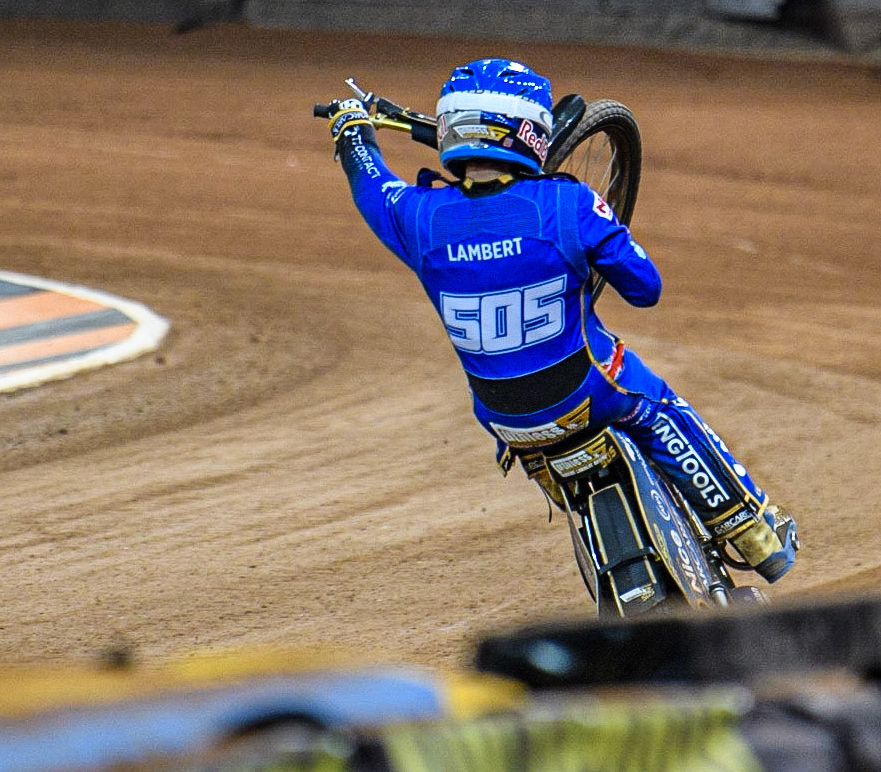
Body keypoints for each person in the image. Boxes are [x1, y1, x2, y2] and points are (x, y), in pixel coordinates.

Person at [325, 58, 798, 583]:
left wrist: (353, 132)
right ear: (528, 133)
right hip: (586, 394)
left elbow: (369, 181)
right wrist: (600, 235)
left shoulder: (414, 215)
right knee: (657, 405)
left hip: (505, 420)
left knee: (534, 438)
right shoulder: (567, 203)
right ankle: (755, 533)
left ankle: (573, 500)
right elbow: (646, 290)